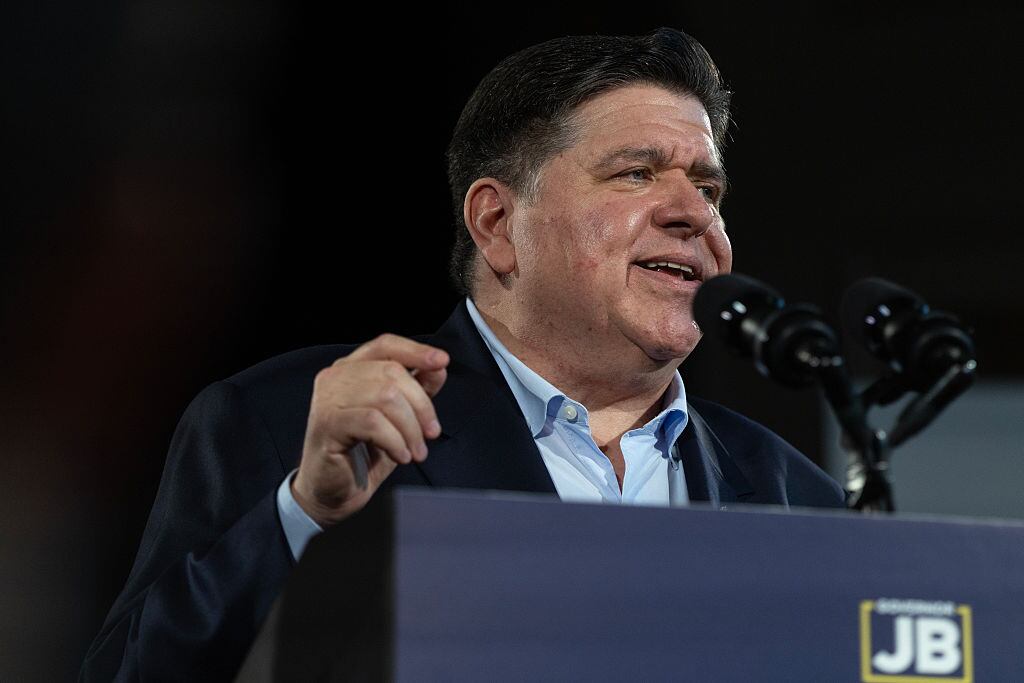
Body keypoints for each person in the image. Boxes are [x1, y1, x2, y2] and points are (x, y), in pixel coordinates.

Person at [81, 27, 845, 681]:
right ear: (496, 223)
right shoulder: (290, 423)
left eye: (708, 188)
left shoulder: (792, 496)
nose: (692, 213)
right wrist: (304, 516)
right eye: (637, 173)